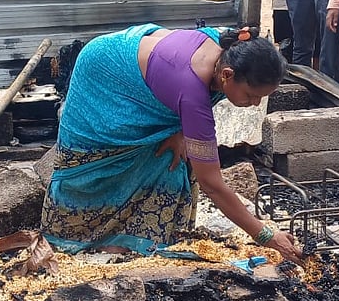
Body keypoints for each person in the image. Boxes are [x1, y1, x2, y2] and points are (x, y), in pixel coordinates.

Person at [40, 24, 304, 265]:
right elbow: (212, 184)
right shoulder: (192, 92)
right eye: (251, 95)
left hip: (153, 70)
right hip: (104, 72)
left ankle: (135, 235)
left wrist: (179, 129)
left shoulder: (231, 45)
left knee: (173, 157)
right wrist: (266, 235)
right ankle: (85, 233)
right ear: (227, 75)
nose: (255, 104)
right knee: (95, 160)